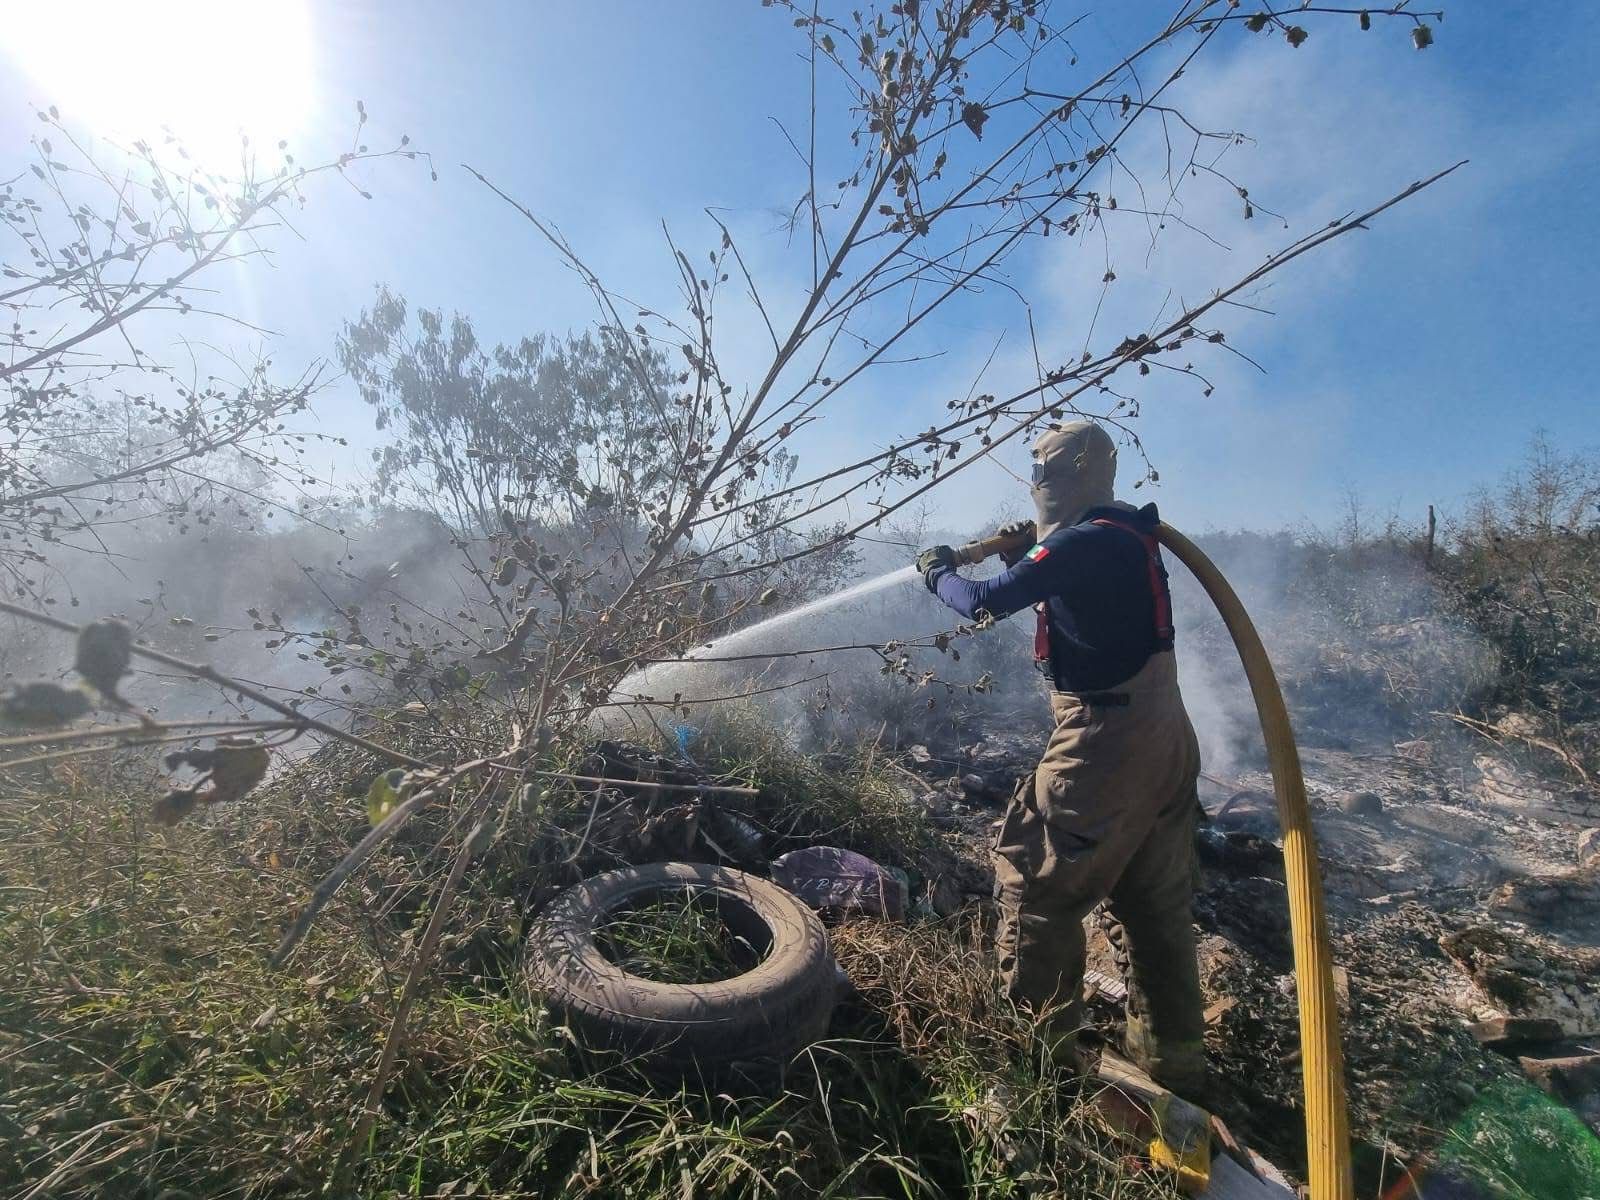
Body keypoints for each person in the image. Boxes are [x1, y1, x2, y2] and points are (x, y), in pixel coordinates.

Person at [915, 420, 1206, 1096]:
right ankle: (1173, 1057)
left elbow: (984, 602)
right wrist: (1034, 546)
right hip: (1163, 737)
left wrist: (938, 572)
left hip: (1106, 743)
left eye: (1036, 472)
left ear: (1053, 477)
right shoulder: (1121, 531)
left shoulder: (1084, 542)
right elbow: (1066, 581)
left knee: (1037, 887)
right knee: (1152, 899)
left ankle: (1038, 1066)